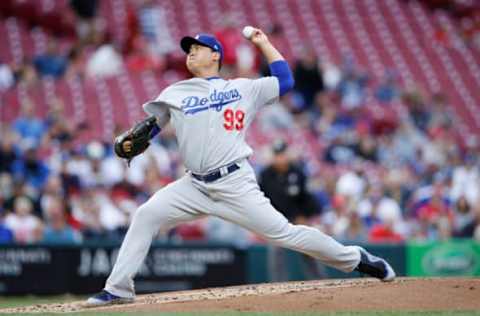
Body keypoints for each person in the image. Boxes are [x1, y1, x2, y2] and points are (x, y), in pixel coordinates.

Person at [86, 28, 395, 306]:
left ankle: (356, 258)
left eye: (197, 47)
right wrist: (131, 144)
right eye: (187, 48)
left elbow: (285, 81)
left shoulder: (243, 88)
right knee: (146, 215)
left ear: (215, 55)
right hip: (193, 185)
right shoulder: (175, 92)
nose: (190, 51)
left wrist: (265, 43)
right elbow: (152, 127)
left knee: (286, 235)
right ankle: (119, 288)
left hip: (234, 182)